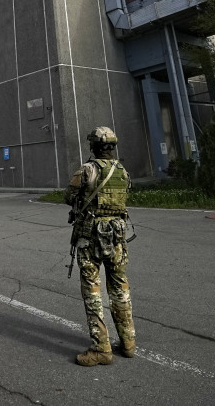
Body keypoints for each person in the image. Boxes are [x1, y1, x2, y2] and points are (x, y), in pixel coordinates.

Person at [64, 126, 136, 366]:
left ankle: (101, 348)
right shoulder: (123, 171)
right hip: (117, 236)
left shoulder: (86, 170)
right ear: (113, 147)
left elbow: (69, 197)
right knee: (120, 288)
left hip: (91, 237)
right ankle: (128, 343)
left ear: (93, 147)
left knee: (92, 291)